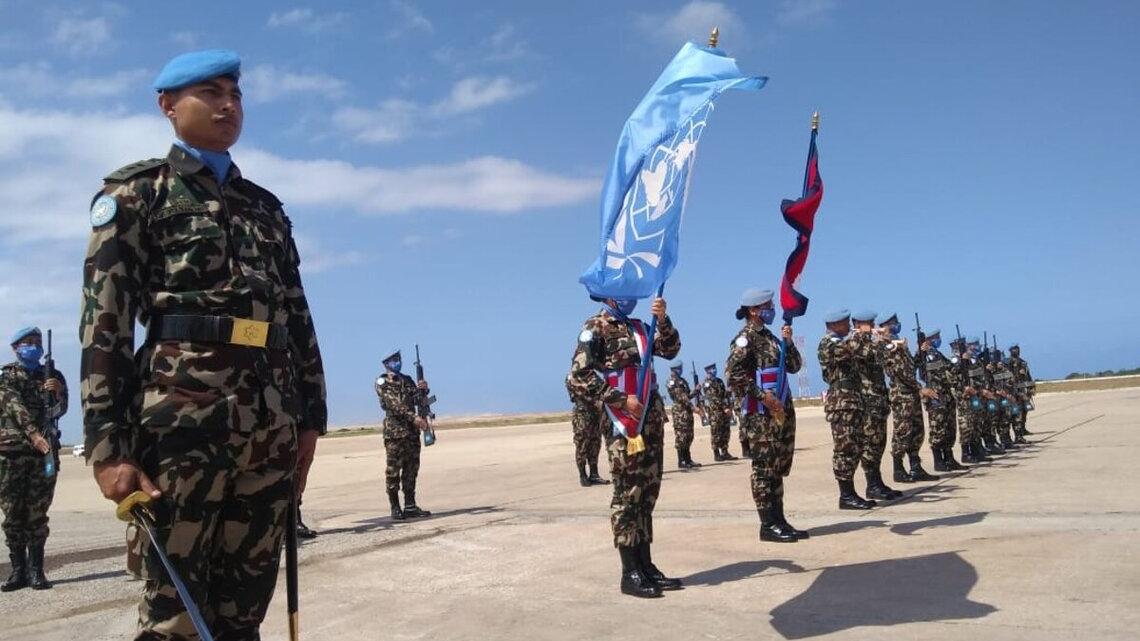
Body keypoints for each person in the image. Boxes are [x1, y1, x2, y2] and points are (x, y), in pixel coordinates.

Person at [79, 49, 327, 638]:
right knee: (177, 615)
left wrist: (310, 417)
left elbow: (296, 316)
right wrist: (108, 448)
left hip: (269, 424)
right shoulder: (138, 194)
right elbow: (105, 323)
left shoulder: (265, 207)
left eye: (235, 95)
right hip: (181, 423)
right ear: (168, 105)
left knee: (245, 609)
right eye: (211, 93)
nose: (227, 105)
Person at [568, 296, 682, 598]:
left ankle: (645, 565)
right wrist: (619, 399)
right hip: (622, 423)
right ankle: (629, 572)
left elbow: (670, 350)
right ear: (609, 294)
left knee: (647, 491)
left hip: (649, 419)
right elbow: (578, 377)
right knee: (628, 494)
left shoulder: (640, 327)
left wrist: (663, 319)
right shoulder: (595, 326)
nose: (631, 296)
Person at [725, 289, 806, 542]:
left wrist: (788, 342)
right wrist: (762, 396)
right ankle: (767, 524)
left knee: (777, 467)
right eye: (768, 305)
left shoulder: (771, 337)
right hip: (761, 416)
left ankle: (779, 520)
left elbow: (794, 366)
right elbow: (733, 376)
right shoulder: (745, 339)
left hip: (780, 411)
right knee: (763, 470)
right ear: (753, 310)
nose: (772, 308)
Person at [1, 327, 66, 591]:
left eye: (38, 342)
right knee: (12, 513)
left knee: (37, 513)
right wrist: (33, 435)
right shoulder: (6, 376)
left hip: (44, 454)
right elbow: (14, 407)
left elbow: (59, 411)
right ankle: (18, 571)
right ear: (15, 347)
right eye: (29, 342)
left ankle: (36, 570)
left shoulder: (52, 376)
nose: (35, 346)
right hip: (12, 454)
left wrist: (58, 393)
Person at [817, 310, 875, 510]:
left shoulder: (846, 341)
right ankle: (846, 495)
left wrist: (871, 338)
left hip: (853, 401)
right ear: (834, 324)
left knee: (855, 447)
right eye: (845, 323)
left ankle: (851, 493)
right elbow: (846, 350)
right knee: (845, 448)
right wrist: (862, 334)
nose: (849, 326)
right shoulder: (828, 343)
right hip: (841, 403)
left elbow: (865, 354)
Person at [875, 313, 938, 483]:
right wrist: (920, 387)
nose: (896, 325)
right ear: (884, 326)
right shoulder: (886, 345)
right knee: (903, 431)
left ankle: (916, 467)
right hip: (901, 394)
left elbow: (910, 367)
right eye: (893, 323)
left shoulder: (899, 343)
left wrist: (919, 352)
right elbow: (899, 371)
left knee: (917, 431)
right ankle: (898, 469)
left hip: (911, 393)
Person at [850, 310, 902, 501]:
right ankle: (872, 485)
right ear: (858, 324)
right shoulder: (855, 342)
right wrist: (881, 342)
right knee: (870, 444)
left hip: (878, 400)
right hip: (867, 402)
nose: (873, 326)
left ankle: (877, 482)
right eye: (869, 323)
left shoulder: (870, 341)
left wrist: (887, 343)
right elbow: (869, 354)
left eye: (873, 323)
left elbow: (885, 361)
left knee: (878, 443)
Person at [375, 349, 432, 520]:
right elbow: (394, 405)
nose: (397, 362)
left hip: (411, 433)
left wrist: (423, 390)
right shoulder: (382, 382)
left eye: (398, 359)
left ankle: (410, 506)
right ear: (386, 364)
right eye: (394, 360)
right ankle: (395, 507)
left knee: (411, 470)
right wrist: (414, 418)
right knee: (393, 472)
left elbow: (418, 400)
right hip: (395, 433)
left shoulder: (407, 380)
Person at [915, 329, 966, 471]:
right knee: (938, 428)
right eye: (936, 337)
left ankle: (949, 458)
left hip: (947, 395)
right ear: (928, 340)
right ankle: (938, 461)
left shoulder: (938, 354)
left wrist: (963, 360)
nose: (938, 339)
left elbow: (952, 369)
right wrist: (921, 389)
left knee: (949, 428)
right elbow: (911, 371)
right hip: (935, 397)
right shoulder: (922, 355)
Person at [566, 376, 609, 486]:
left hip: (595, 414)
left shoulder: (592, 376)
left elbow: (601, 389)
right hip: (582, 415)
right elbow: (576, 396)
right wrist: (594, 397)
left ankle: (594, 474)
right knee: (582, 445)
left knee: (595, 444)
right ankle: (583, 475)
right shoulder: (572, 377)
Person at [665, 362, 701, 470]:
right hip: (680, 412)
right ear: (673, 369)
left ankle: (688, 459)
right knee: (681, 436)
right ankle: (681, 461)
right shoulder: (671, 382)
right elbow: (681, 397)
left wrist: (696, 391)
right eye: (678, 368)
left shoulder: (682, 381)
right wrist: (693, 408)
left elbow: (687, 396)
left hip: (687, 411)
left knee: (689, 436)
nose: (680, 369)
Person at [703, 364, 735, 461]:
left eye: (715, 368)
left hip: (724, 411)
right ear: (707, 371)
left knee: (725, 431)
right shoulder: (707, 383)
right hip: (715, 411)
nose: (714, 370)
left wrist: (728, 392)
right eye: (712, 369)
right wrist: (725, 407)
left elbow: (723, 396)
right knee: (716, 432)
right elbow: (714, 398)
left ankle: (725, 452)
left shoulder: (719, 381)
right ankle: (716, 454)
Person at [1007, 344, 1035, 441]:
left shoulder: (1023, 362)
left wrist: (1031, 387)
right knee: (1017, 412)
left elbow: (1028, 375)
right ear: (1010, 351)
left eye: (1017, 349)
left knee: (1024, 410)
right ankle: (1018, 433)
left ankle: (1023, 428)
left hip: (1024, 389)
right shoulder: (1008, 362)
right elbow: (1008, 376)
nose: (1016, 351)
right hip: (1015, 391)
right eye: (1014, 349)